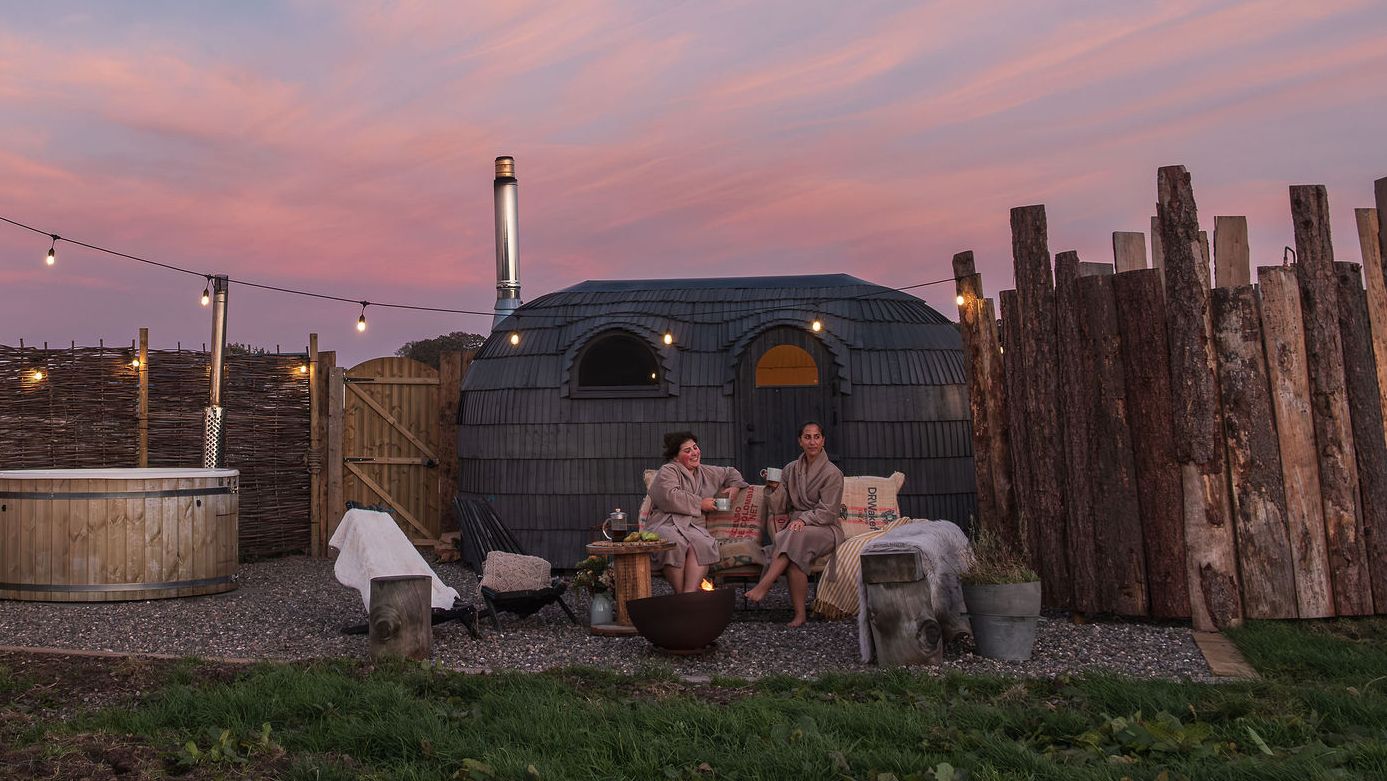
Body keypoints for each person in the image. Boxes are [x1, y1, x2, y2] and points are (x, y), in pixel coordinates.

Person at [745, 421, 844, 627]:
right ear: (800, 441)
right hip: (798, 529)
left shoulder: (833, 473)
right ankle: (800, 615)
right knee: (795, 555)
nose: (812, 441)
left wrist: (802, 519)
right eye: (807, 437)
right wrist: (774, 488)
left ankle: (765, 584)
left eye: (816, 437)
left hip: (825, 529)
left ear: (823, 440)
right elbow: (782, 507)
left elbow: (828, 512)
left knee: (792, 535)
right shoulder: (791, 469)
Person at [645, 431, 748, 593]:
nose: (694, 453)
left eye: (695, 447)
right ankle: (681, 596)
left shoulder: (706, 472)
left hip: (693, 526)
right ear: (675, 457)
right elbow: (669, 496)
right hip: (666, 522)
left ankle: (689, 594)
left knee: (702, 544)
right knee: (673, 542)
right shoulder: (668, 471)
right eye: (687, 451)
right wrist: (700, 503)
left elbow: (730, 472)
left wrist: (735, 486)